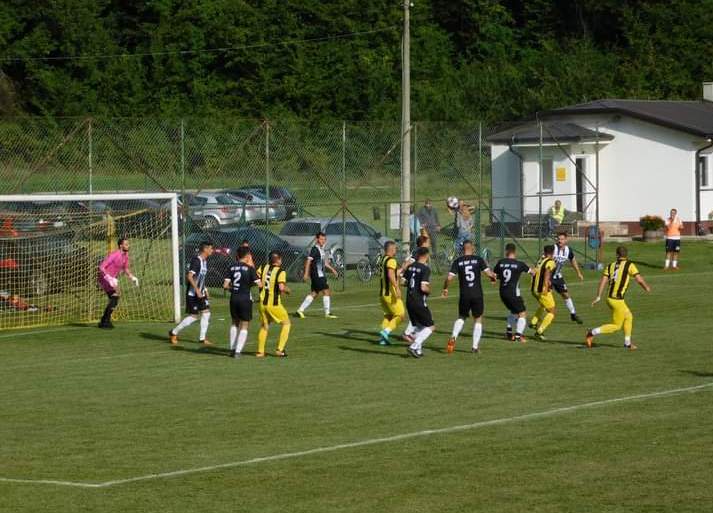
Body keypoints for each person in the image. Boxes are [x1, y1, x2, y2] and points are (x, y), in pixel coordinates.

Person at [586, 246, 651, 350]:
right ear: (626, 255)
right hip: (617, 300)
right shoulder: (630, 265)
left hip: (610, 298)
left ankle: (627, 343)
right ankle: (592, 332)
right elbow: (639, 279)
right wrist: (646, 287)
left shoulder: (610, 266)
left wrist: (598, 296)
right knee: (616, 326)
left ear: (617, 255)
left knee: (629, 317)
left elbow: (603, 281)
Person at [442, 240, 496, 353]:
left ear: (463, 249)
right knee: (478, 319)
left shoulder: (458, 261)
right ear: (472, 248)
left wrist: (445, 288)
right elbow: (489, 273)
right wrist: (493, 278)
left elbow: (449, 278)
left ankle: (453, 336)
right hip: (477, 294)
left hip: (464, 294)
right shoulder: (478, 259)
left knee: (461, 317)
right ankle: (475, 347)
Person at [169, 242, 214, 345]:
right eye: (211, 248)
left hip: (200, 293)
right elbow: (189, 276)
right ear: (205, 249)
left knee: (206, 313)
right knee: (193, 316)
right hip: (193, 294)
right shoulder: (196, 261)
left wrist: (205, 290)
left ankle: (202, 338)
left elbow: (201, 278)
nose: (212, 250)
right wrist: (197, 290)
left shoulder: (205, 261)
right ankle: (173, 332)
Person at [223, 246, 261, 358]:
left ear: (237, 256)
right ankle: (238, 351)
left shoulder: (231, 267)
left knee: (234, 323)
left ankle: (232, 349)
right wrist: (249, 283)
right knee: (244, 324)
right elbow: (260, 284)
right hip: (245, 298)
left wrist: (233, 289)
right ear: (248, 256)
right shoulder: (250, 269)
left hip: (234, 298)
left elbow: (225, 285)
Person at [493, 243, 534, 343]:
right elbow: (532, 272)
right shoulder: (520, 264)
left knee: (513, 311)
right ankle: (518, 336)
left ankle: (509, 332)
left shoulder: (501, 263)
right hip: (513, 293)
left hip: (503, 292)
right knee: (522, 313)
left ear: (506, 251)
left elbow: (494, 275)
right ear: (515, 252)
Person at [97, 238, 139, 329]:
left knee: (115, 299)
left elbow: (126, 268)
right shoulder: (115, 254)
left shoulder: (125, 256)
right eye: (126, 244)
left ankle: (104, 321)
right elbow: (101, 267)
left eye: (128, 244)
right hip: (105, 278)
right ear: (121, 246)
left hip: (112, 280)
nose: (128, 246)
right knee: (115, 297)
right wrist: (109, 278)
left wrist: (132, 277)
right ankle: (105, 321)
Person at [296, 232, 339, 319]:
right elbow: (308, 261)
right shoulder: (314, 249)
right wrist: (306, 274)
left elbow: (324, 263)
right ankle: (327, 313)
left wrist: (332, 269)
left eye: (324, 239)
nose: (323, 241)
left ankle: (300, 310)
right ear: (317, 239)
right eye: (321, 239)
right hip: (317, 274)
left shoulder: (321, 249)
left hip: (319, 274)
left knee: (314, 293)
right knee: (326, 291)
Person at [256, 251, 292, 357]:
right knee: (287, 323)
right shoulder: (281, 271)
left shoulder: (263, 267)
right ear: (278, 260)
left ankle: (260, 352)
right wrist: (288, 290)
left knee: (264, 326)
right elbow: (281, 287)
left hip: (262, 304)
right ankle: (280, 350)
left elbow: (256, 277)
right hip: (274, 304)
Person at [404, 247, 435, 358]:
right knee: (431, 327)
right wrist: (429, 291)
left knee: (420, 326)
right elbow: (423, 287)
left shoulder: (410, 267)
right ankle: (414, 346)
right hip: (419, 302)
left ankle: (418, 350)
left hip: (409, 301)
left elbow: (403, 282)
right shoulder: (425, 269)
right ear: (426, 255)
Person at [400, 234, 431, 343]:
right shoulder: (418, 253)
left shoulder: (419, 252)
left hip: (415, 284)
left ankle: (412, 334)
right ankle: (409, 333)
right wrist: (402, 272)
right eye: (428, 242)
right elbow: (408, 263)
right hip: (416, 287)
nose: (429, 244)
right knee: (418, 310)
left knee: (417, 311)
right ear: (423, 243)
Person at [552, 232, 584, 324]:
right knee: (547, 297)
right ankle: (536, 321)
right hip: (547, 277)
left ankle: (573, 314)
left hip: (558, 276)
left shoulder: (568, 250)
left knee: (566, 295)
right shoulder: (553, 249)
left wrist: (578, 273)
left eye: (562, 239)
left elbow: (573, 261)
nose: (559, 241)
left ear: (566, 240)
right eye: (558, 239)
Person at [377, 240, 405, 346]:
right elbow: (390, 274)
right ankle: (386, 332)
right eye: (395, 248)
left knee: (389, 315)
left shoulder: (383, 259)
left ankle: (382, 339)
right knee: (400, 315)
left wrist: (403, 267)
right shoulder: (392, 260)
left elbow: (392, 272)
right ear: (392, 249)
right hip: (390, 294)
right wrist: (397, 287)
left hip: (382, 294)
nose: (396, 250)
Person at [529, 245, 557, 341]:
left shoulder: (540, 260)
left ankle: (533, 322)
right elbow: (547, 273)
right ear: (553, 252)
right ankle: (539, 332)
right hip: (541, 290)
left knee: (543, 305)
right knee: (552, 311)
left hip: (534, 289)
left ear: (544, 252)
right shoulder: (550, 262)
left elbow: (536, 271)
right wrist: (546, 286)